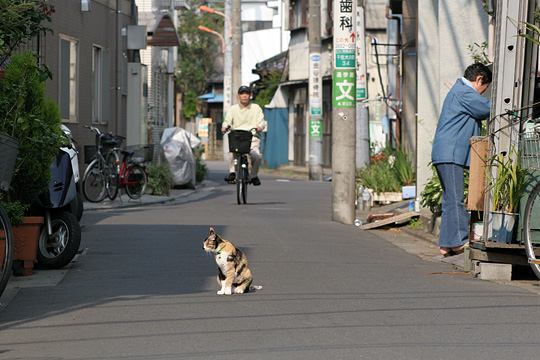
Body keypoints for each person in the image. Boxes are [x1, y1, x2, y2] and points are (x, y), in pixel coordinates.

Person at [431, 63, 492, 257]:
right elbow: (487, 108)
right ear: (480, 79)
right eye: (485, 89)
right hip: (450, 154)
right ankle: (459, 241)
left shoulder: (459, 90)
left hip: (445, 153)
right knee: (455, 199)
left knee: (450, 199)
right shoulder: (464, 92)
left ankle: (446, 244)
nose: (482, 94)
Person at [222, 85, 267, 186]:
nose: (244, 96)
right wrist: (225, 127)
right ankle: (232, 173)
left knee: (257, 156)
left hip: (252, 138)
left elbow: (262, 122)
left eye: (247, 93)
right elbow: (227, 121)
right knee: (230, 154)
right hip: (236, 138)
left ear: (250, 95)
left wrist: (260, 127)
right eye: (242, 93)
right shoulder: (233, 109)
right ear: (239, 96)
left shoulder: (256, 108)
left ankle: (253, 176)